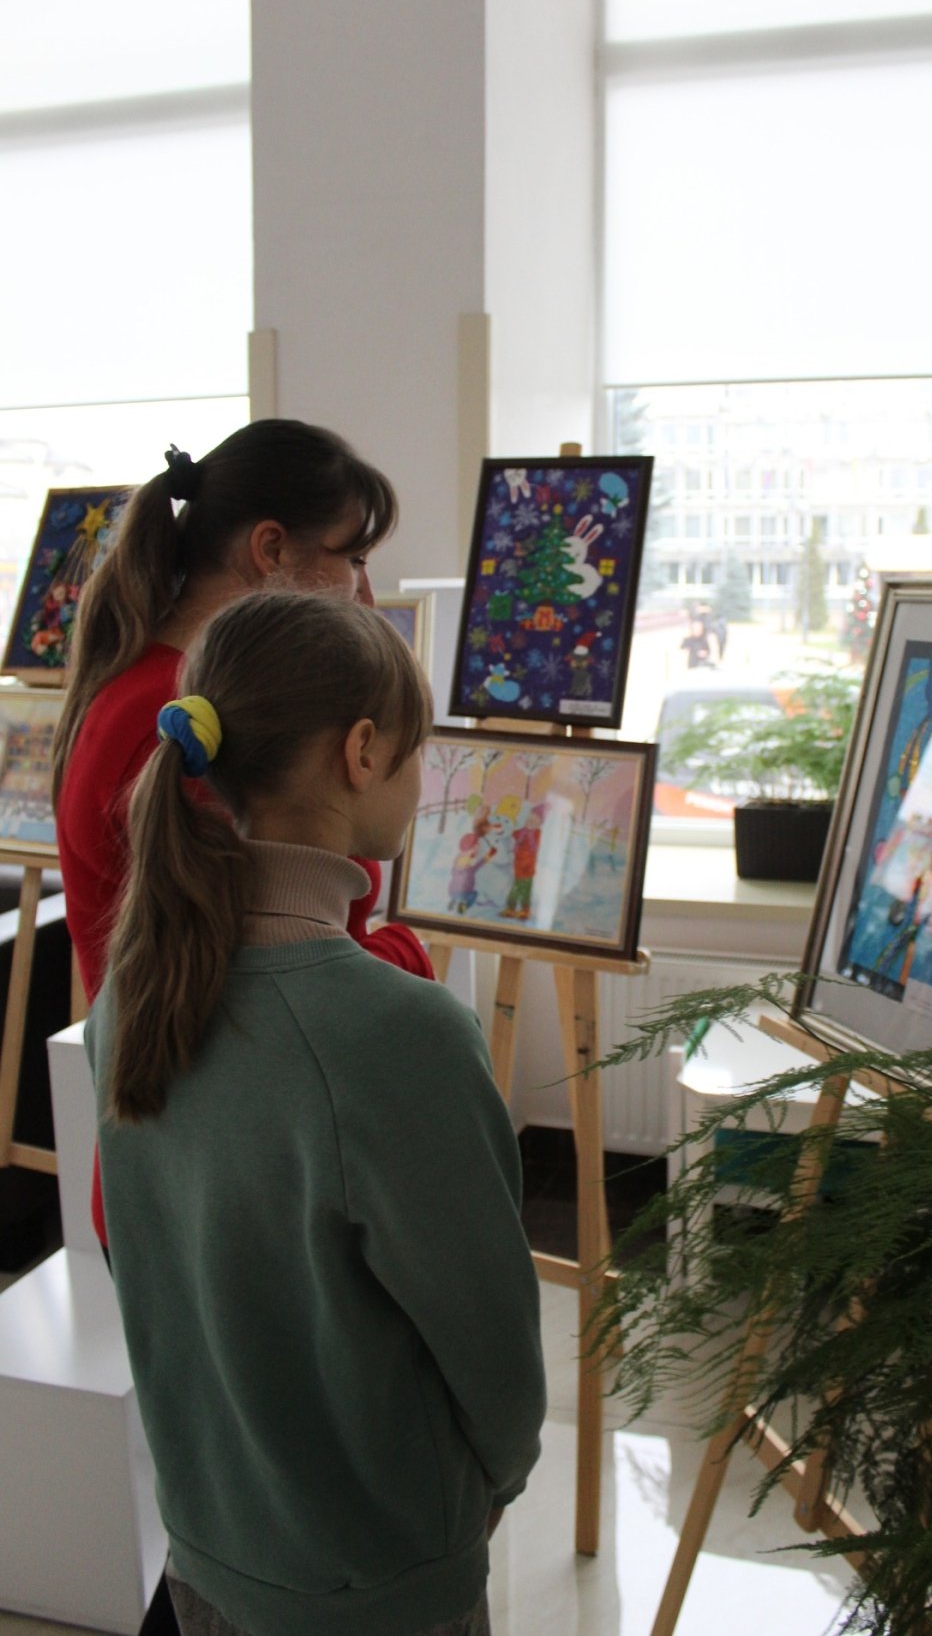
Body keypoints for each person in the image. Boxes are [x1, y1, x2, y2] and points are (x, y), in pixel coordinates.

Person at [87, 590, 546, 1636]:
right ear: (362, 751)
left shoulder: (134, 997)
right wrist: (487, 1490)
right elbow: (496, 1360)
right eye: (417, 749)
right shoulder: (400, 1035)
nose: (423, 779)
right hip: (375, 1581)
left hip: (207, 1549)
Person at [52, 419, 434, 1636]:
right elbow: (261, 974)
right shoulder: (174, 717)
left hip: (213, 1147)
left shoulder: (168, 702)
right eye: (350, 557)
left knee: (244, 1511)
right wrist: (399, 968)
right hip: (234, 1157)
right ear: (272, 551)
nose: (364, 592)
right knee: (278, 1527)